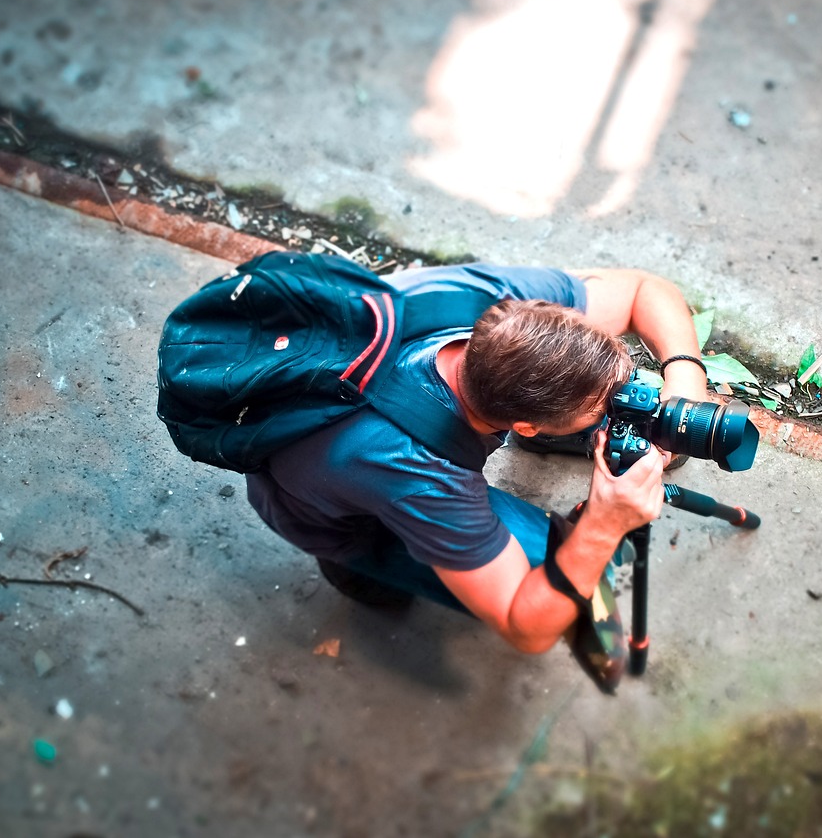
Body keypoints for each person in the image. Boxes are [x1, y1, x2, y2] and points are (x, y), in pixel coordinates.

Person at [244, 262, 709, 688]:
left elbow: (645, 289)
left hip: (345, 425)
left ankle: (562, 428)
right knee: (568, 574)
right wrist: (604, 525)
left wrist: (682, 389)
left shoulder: (498, 311)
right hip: (332, 512)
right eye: (604, 411)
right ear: (524, 425)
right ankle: (359, 573)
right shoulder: (419, 475)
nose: (624, 408)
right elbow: (525, 627)